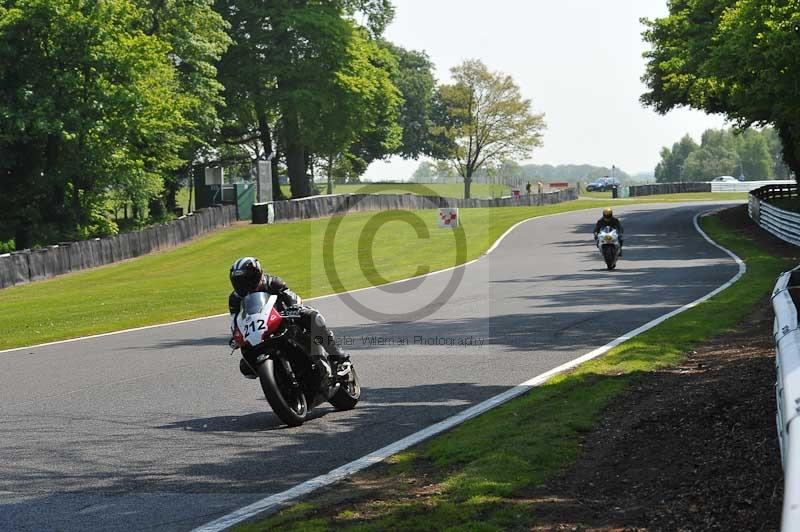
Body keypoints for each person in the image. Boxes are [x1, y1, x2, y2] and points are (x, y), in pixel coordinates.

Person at [227, 257, 350, 381]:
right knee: (246, 366)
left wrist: (295, 309)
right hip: (259, 331)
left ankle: (339, 357)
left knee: (312, 317)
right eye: (238, 281)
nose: (244, 285)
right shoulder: (235, 298)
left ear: (257, 275)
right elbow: (235, 321)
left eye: (247, 279)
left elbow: (293, 299)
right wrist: (235, 336)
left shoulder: (273, 283)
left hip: (283, 320)